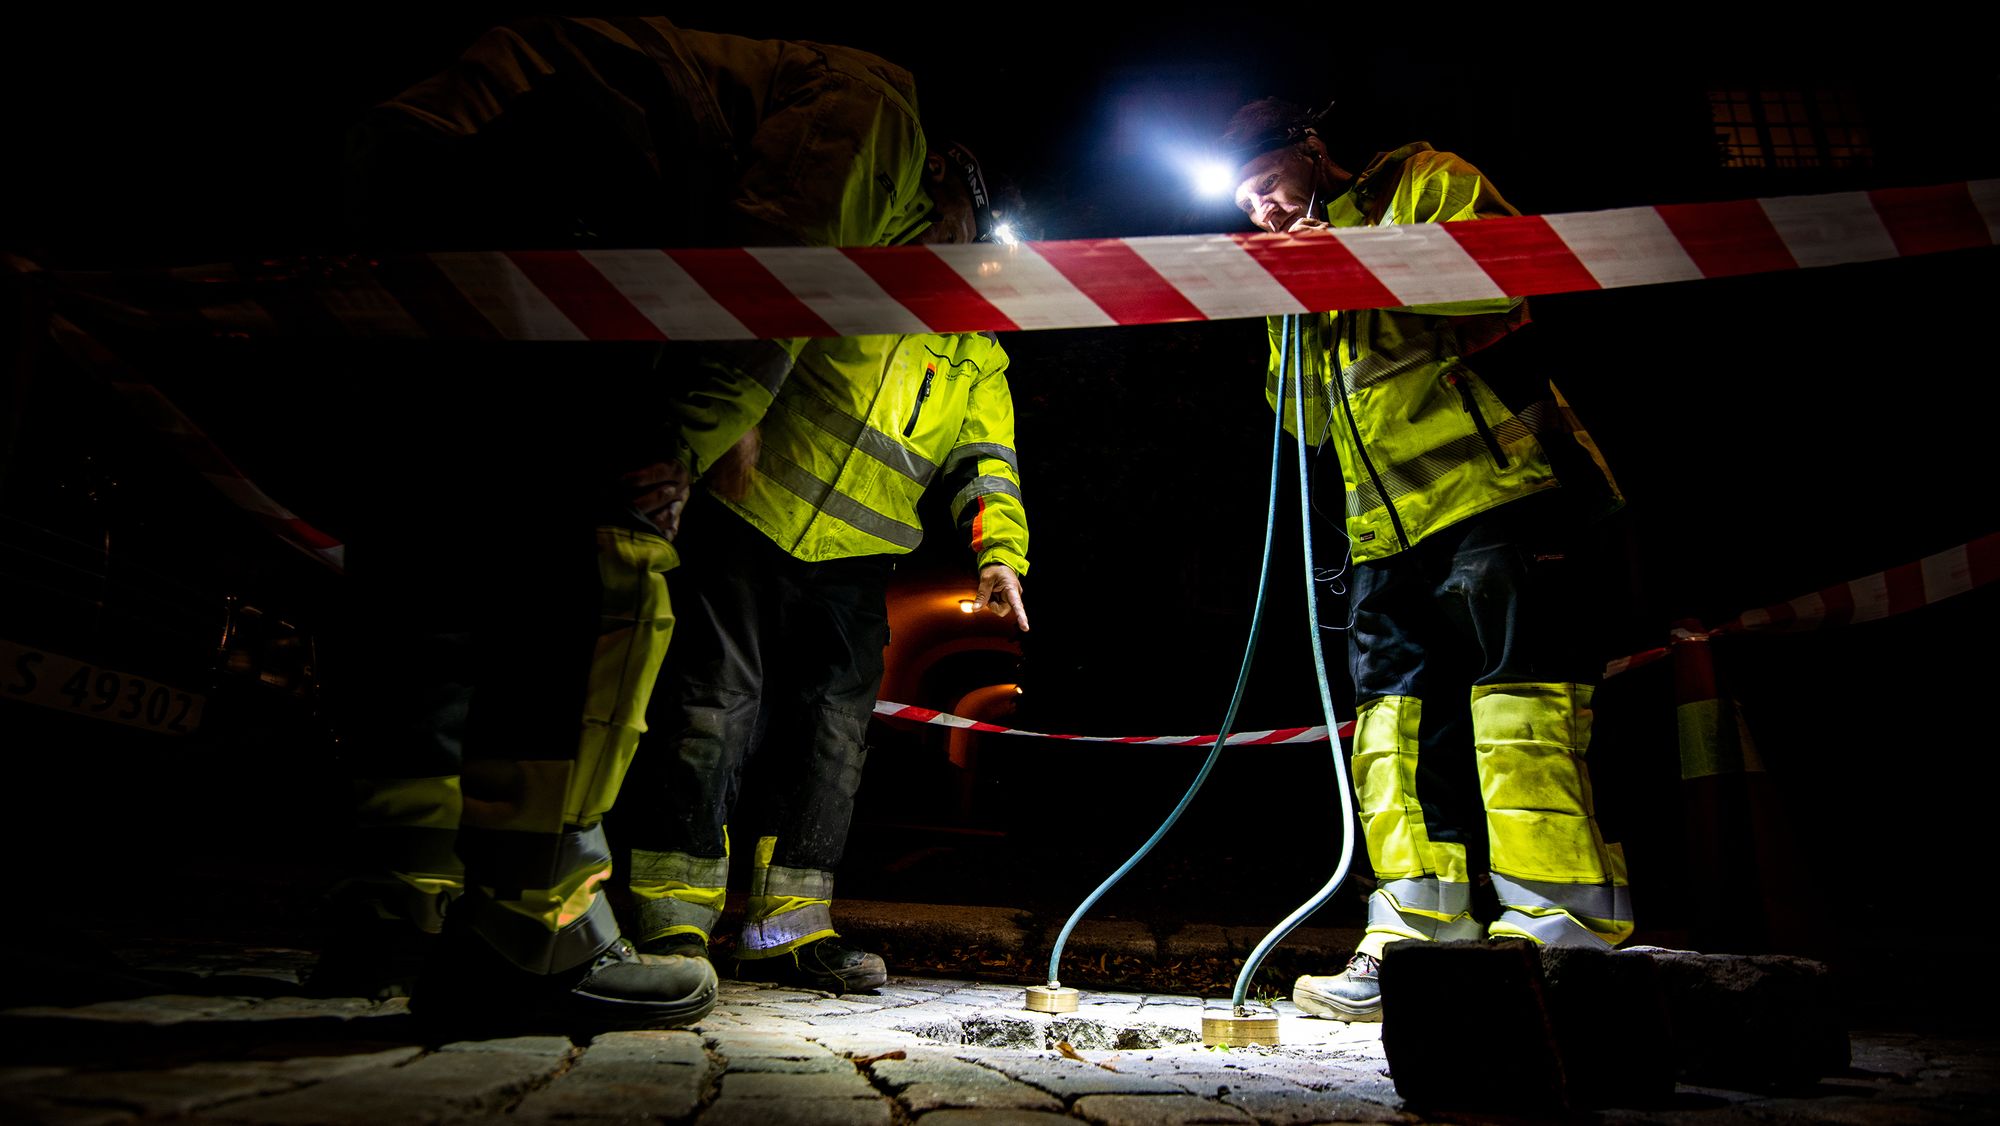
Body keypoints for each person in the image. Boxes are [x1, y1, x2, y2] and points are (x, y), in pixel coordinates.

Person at [305, 15, 991, 1032]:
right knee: (586, 566)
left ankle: (399, 905)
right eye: (944, 249)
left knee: (437, 558)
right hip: (546, 185)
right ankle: (534, 926)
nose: (919, 272)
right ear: (948, 191)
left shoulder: (770, 86)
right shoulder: (883, 114)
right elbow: (771, 269)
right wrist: (677, 440)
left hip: (426, 161)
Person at [1221, 98, 1634, 1022]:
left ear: (1310, 148)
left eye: (1270, 186)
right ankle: (1415, 934)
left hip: (1502, 495)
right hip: (1382, 533)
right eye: (1246, 204)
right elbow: (1304, 423)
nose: (1264, 212)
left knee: (1519, 706)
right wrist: (1281, 310)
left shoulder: (1427, 180)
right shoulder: (1295, 272)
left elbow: (1494, 280)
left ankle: (1559, 922)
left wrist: (1336, 261)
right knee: (1396, 738)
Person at [613, 264, 1031, 993]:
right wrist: (716, 435)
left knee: (832, 736)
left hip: (859, 560)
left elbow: (988, 466)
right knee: (711, 710)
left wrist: (1001, 556)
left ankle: (789, 930)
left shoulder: (980, 353)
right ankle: (672, 919)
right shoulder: (852, 274)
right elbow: (756, 342)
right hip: (747, 519)